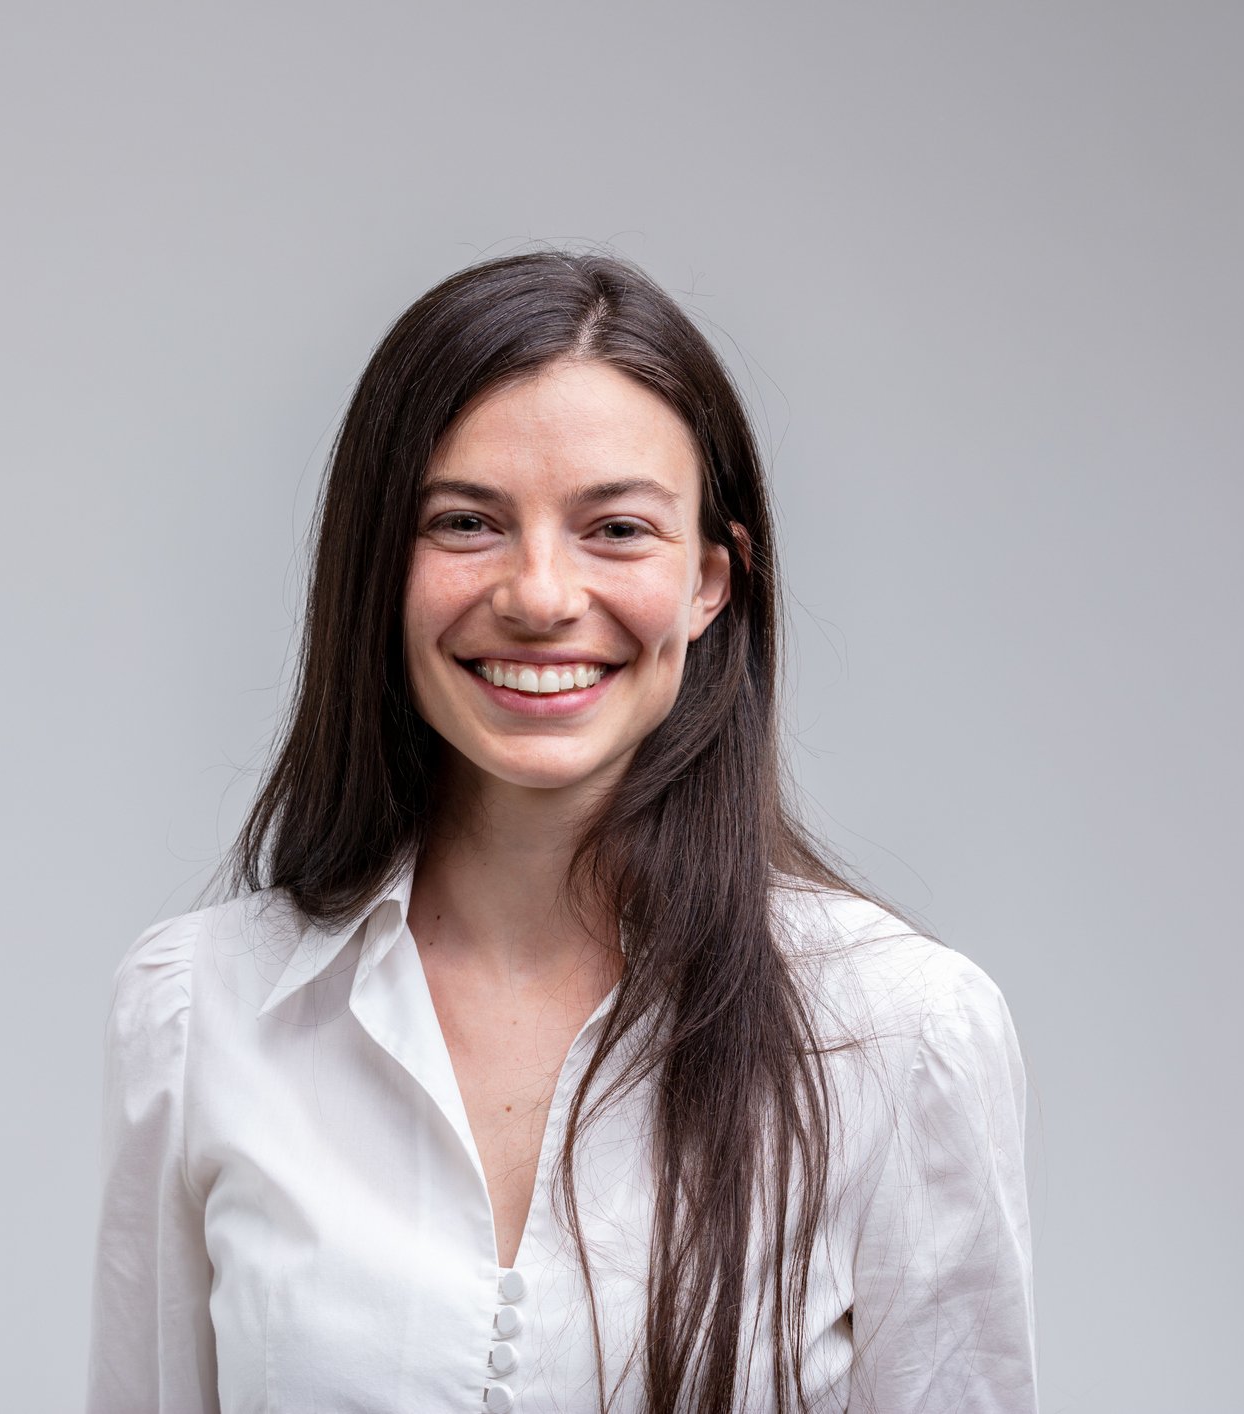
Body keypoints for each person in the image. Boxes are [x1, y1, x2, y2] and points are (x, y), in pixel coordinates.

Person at [85, 250, 1037, 1414]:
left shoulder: (902, 1036)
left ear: (711, 582)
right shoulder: (198, 1013)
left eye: (618, 529)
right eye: (468, 521)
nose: (539, 594)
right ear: (380, 569)